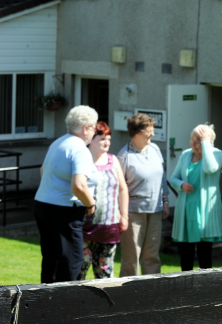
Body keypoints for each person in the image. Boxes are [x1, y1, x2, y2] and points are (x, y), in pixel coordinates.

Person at [34, 105, 98, 283]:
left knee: (51, 257)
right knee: (72, 259)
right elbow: (78, 185)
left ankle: (44, 301)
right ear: (86, 129)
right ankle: (63, 306)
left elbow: (42, 171)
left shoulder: (58, 142)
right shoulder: (80, 149)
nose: (93, 133)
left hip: (43, 204)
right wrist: (90, 203)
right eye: (93, 128)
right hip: (64, 210)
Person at [118, 113, 169, 276]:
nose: (153, 134)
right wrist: (123, 215)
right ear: (137, 132)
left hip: (155, 210)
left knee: (152, 256)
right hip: (133, 213)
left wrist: (165, 200)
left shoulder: (155, 149)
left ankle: (153, 294)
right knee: (131, 258)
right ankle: (128, 294)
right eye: (149, 131)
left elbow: (163, 177)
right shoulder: (124, 156)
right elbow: (119, 188)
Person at [77, 121, 129, 280]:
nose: (107, 142)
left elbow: (122, 188)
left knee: (105, 274)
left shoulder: (113, 160)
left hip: (109, 225)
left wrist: (124, 215)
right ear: (91, 139)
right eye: (102, 139)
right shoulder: (81, 159)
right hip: (84, 225)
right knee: (79, 271)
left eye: (109, 138)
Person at [170, 124, 222, 271]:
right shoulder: (186, 154)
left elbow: (210, 168)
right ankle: (185, 291)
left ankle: (205, 291)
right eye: (191, 140)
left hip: (205, 214)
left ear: (209, 142)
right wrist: (181, 185)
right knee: (185, 256)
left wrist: (205, 144)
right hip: (187, 212)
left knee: (204, 257)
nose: (193, 144)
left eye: (197, 141)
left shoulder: (216, 153)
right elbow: (173, 178)